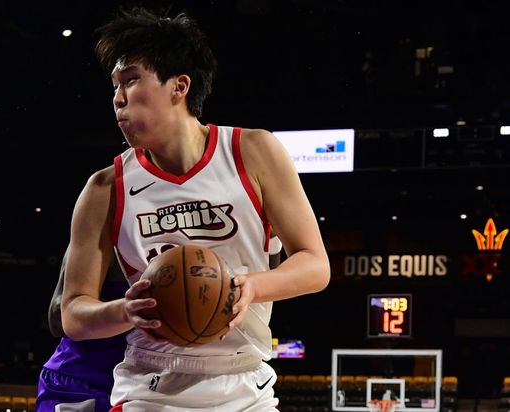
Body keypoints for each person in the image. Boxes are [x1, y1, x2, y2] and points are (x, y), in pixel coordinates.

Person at [60, 6, 330, 411]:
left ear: (179, 86)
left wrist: (252, 286)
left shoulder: (253, 151)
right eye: (114, 86)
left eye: (130, 80)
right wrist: (126, 310)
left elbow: (315, 265)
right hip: (151, 384)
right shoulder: (104, 188)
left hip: (243, 383)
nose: (117, 98)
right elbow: (73, 314)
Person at [36, 247, 128, 412]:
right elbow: (57, 318)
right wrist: (129, 311)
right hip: (81, 381)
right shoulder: (108, 238)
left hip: (143, 384)